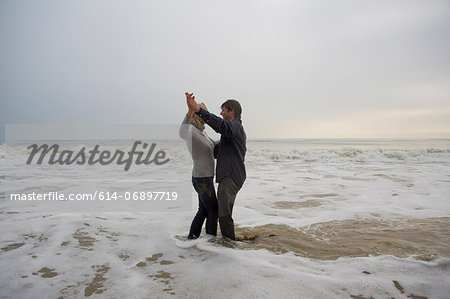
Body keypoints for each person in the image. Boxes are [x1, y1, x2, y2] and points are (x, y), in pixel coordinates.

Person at [186, 92, 246, 240]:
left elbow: (220, 125)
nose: (221, 112)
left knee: (222, 214)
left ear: (232, 111)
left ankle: (228, 245)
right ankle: (207, 240)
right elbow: (215, 151)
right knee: (209, 211)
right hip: (217, 177)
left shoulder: (234, 127)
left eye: (223, 110)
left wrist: (199, 110)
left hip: (230, 177)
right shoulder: (228, 132)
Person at [179, 95, 218, 239]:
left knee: (203, 210)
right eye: (203, 112)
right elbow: (182, 132)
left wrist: (231, 135)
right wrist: (189, 111)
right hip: (201, 179)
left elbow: (215, 147)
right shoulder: (191, 132)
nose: (206, 115)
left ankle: (192, 238)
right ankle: (210, 241)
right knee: (213, 209)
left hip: (205, 178)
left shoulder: (202, 132)